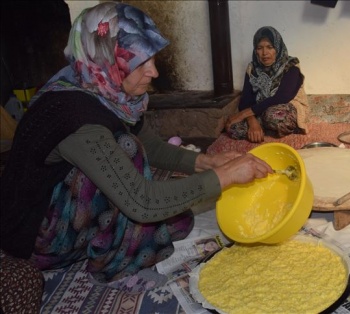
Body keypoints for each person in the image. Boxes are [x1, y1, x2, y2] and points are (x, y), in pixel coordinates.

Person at [0, 1, 273, 299]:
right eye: (140, 64)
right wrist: (224, 177)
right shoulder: (75, 116)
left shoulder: (100, 86)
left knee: (177, 219)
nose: (154, 72)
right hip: (36, 235)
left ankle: (115, 242)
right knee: (127, 152)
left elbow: (152, 144)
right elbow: (141, 202)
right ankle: (112, 269)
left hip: (66, 208)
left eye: (152, 59)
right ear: (108, 60)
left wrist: (206, 162)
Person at [225, 26, 309, 143]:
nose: (265, 53)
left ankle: (266, 127)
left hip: (284, 107)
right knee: (233, 128)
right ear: (256, 51)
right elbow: (245, 100)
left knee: (274, 117)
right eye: (260, 48)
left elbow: (282, 97)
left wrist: (243, 114)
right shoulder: (253, 68)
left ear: (278, 48)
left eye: (270, 47)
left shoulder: (291, 66)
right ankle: (261, 129)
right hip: (258, 111)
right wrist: (252, 121)